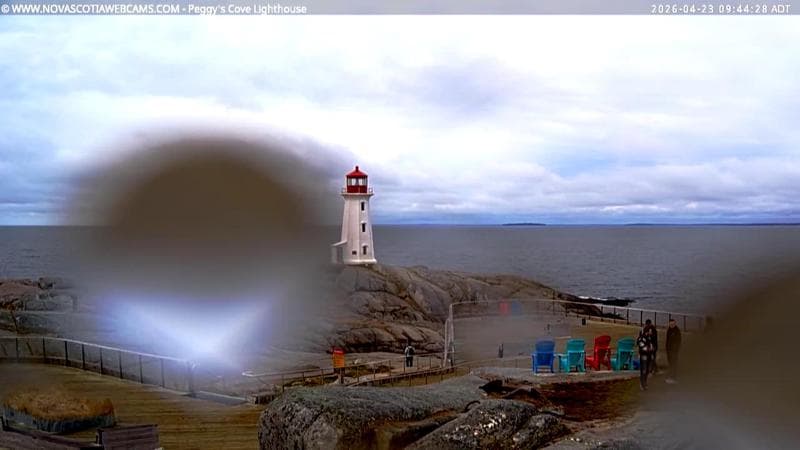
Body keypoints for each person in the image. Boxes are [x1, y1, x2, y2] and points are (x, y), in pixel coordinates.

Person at [637, 325, 655, 390]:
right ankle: (642, 384)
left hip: (648, 355)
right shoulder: (642, 338)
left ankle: (645, 382)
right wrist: (649, 349)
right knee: (644, 370)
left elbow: (651, 346)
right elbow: (642, 346)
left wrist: (651, 350)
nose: (651, 332)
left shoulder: (649, 338)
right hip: (644, 356)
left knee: (647, 370)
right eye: (650, 331)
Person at [666, 318, 682, 384]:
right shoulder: (669, 330)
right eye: (670, 324)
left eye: (672, 324)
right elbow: (668, 340)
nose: (671, 325)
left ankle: (673, 377)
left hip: (674, 351)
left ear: (675, 324)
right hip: (669, 350)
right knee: (670, 364)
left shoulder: (677, 331)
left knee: (673, 364)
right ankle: (671, 376)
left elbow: (678, 341)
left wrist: (675, 350)